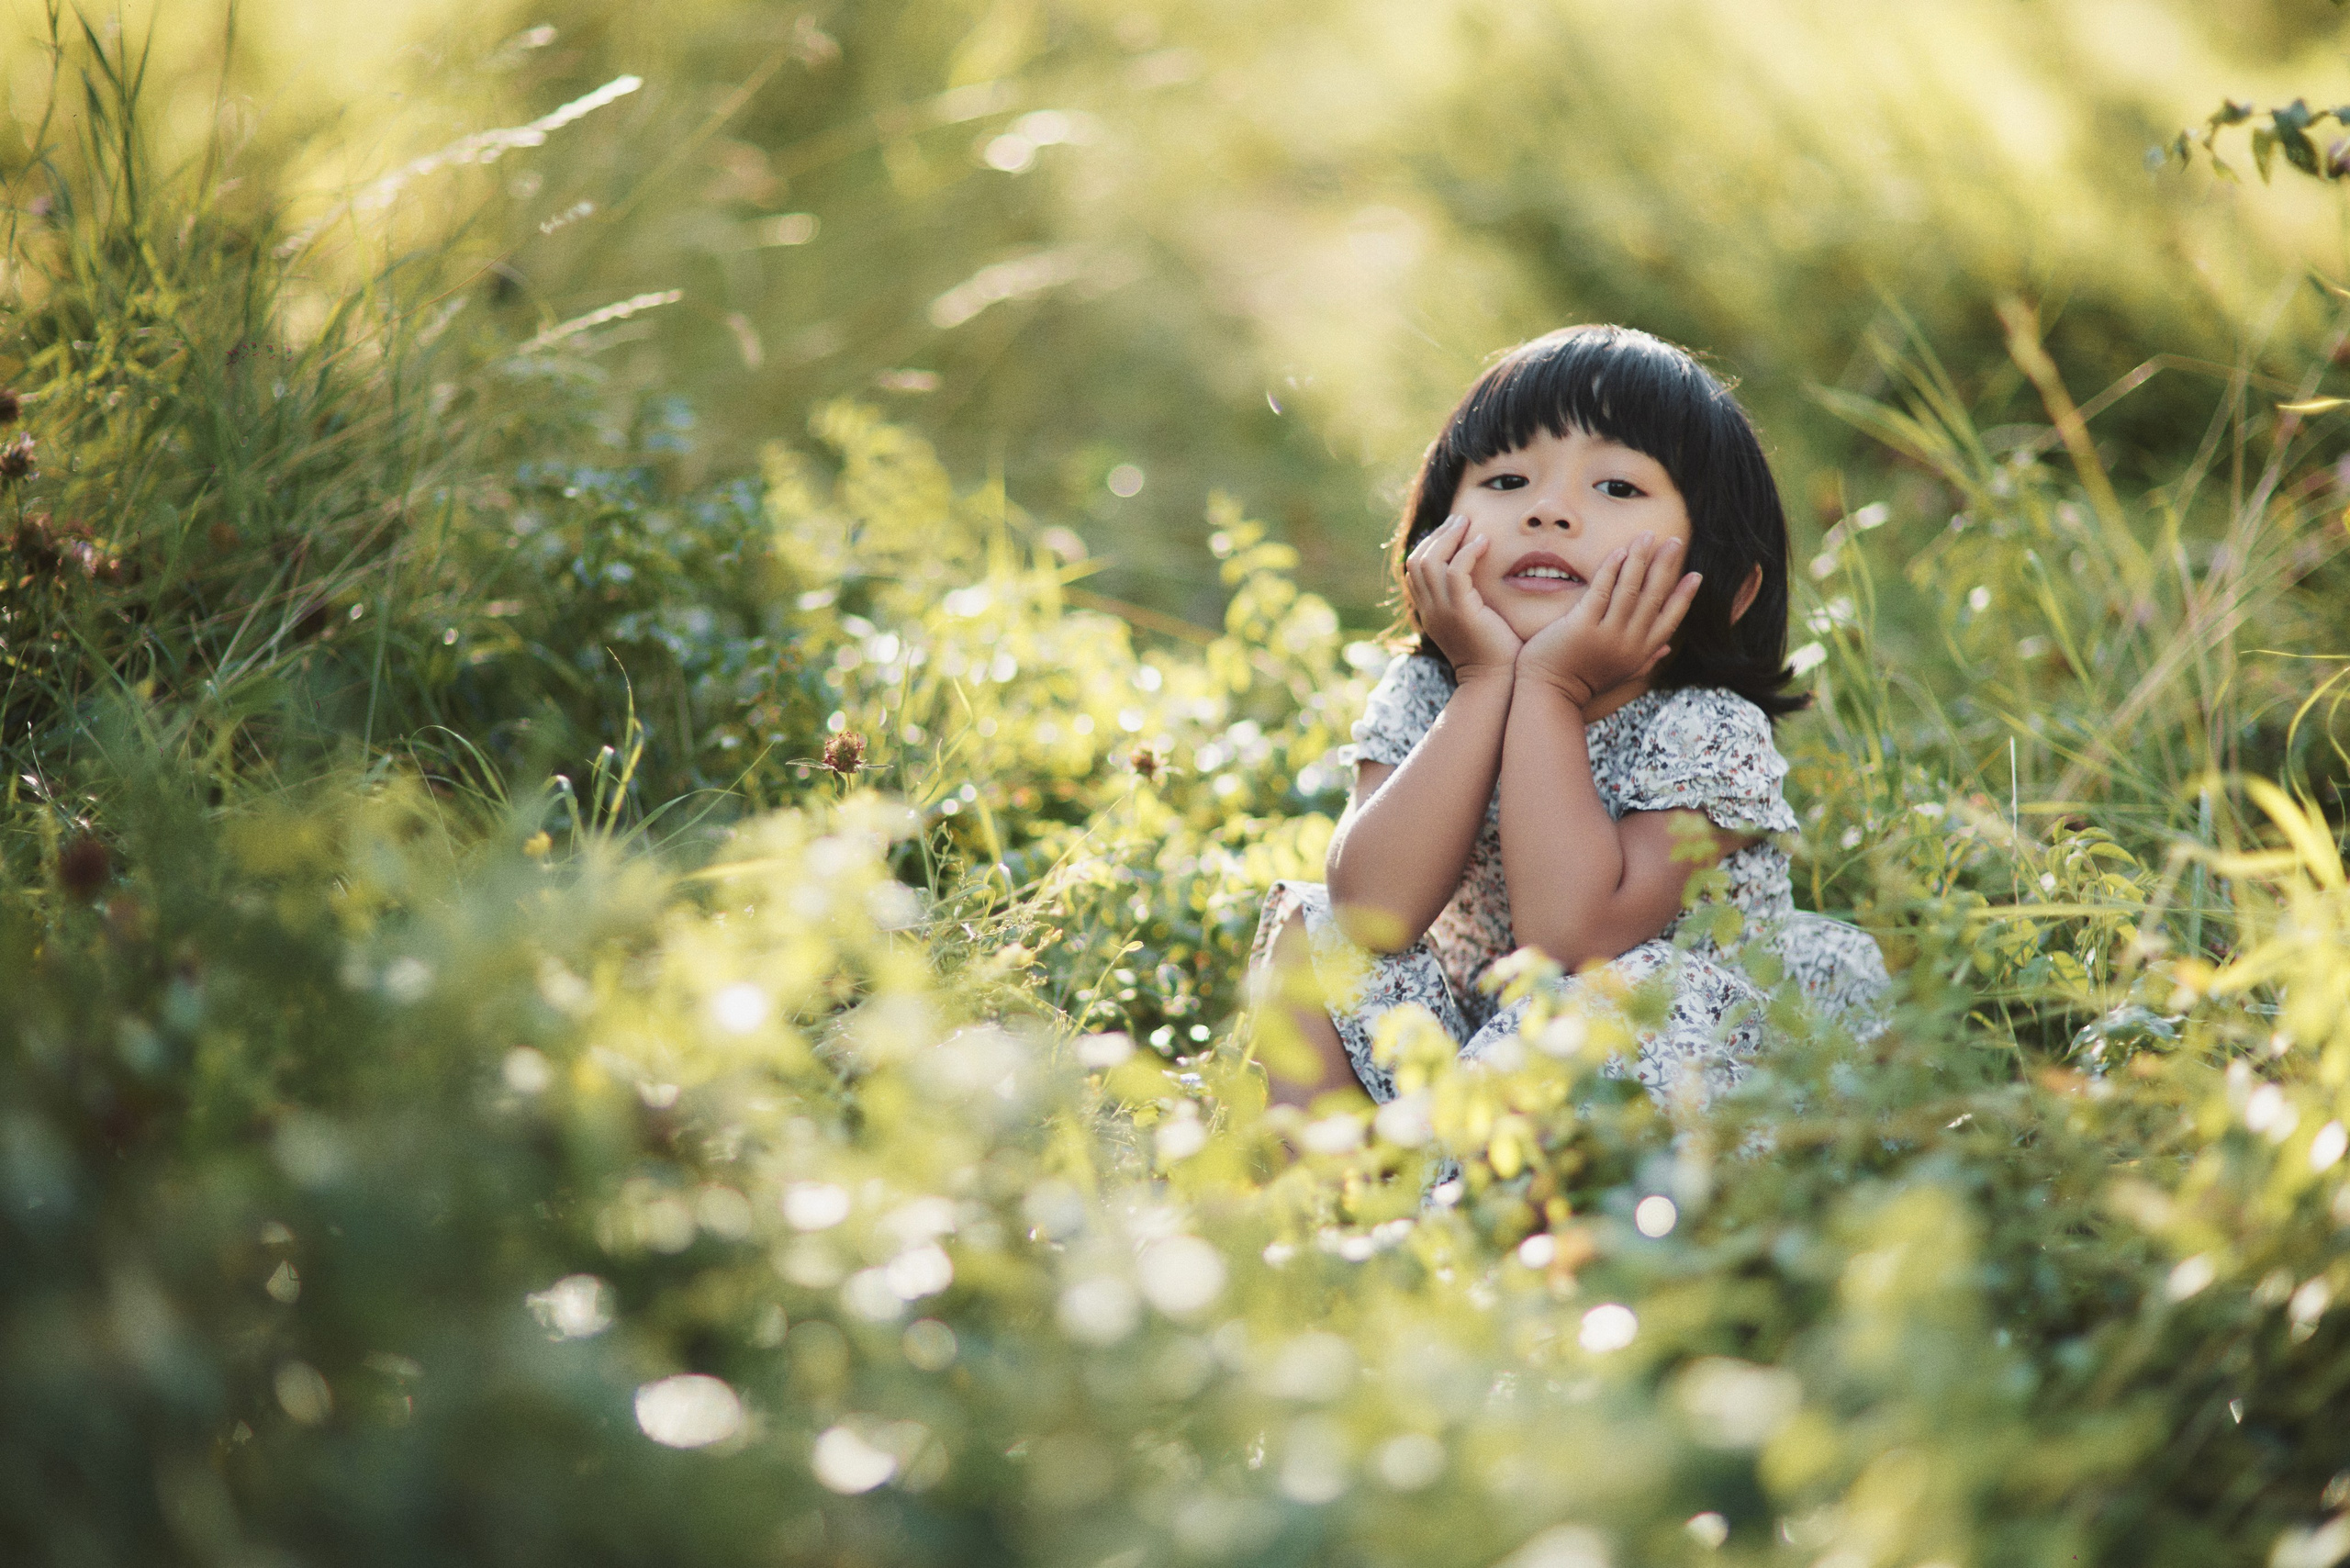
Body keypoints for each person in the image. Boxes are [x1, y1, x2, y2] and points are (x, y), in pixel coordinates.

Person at [1249, 325, 1887, 1110]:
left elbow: (1574, 941)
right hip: (1470, 1048)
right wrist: (1486, 681)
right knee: (1315, 928)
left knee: (1626, 987)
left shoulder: (1705, 728)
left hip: (1657, 1081)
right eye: (1508, 481)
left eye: (1617, 489)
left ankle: (1523, 1205)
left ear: (1725, 582)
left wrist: (1548, 688)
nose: (1549, 512)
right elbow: (1373, 915)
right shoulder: (1427, 692)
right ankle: (1342, 1192)